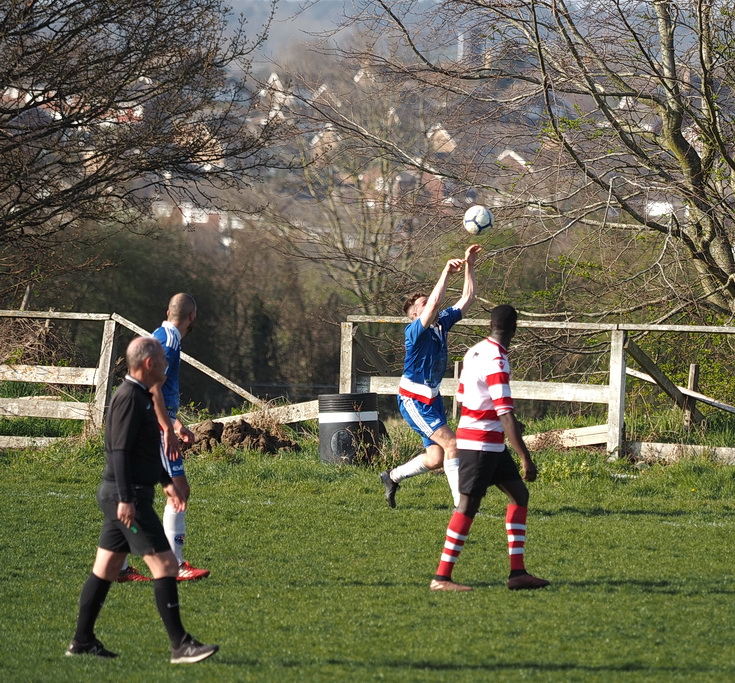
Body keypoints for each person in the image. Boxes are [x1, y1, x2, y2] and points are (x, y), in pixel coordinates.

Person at [66, 337, 219, 662]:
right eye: (163, 359)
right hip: (128, 498)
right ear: (149, 364)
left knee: (104, 569)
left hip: (125, 495)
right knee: (165, 565)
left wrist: (166, 482)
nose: (167, 364)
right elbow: (118, 452)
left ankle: (82, 642)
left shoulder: (144, 397)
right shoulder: (128, 398)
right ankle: (181, 645)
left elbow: (146, 451)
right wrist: (126, 499)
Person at [429, 304, 549, 592]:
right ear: (514, 328)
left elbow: (462, 394)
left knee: (519, 495)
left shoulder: (475, 351)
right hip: (480, 442)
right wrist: (525, 457)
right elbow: (505, 412)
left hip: (488, 440)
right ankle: (441, 578)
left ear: (489, 325)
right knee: (468, 504)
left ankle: (517, 573)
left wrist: (500, 422)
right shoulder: (497, 359)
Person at [380, 244, 481, 508]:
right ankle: (463, 505)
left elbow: (468, 299)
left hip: (432, 400)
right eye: (422, 304)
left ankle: (392, 477)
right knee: (453, 443)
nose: (430, 304)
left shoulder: (440, 324)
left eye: (427, 301)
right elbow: (435, 301)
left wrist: (469, 264)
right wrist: (446, 271)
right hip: (413, 399)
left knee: (436, 458)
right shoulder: (414, 331)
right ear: (415, 314)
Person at [118, 293, 209, 582]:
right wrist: (167, 429)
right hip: (152, 427)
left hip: (146, 423)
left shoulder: (161, 337)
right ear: (192, 317)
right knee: (178, 491)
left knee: (136, 497)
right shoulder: (168, 344)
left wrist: (176, 423)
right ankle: (176, 565)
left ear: (167, 311)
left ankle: (118, 567)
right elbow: (153, 389)